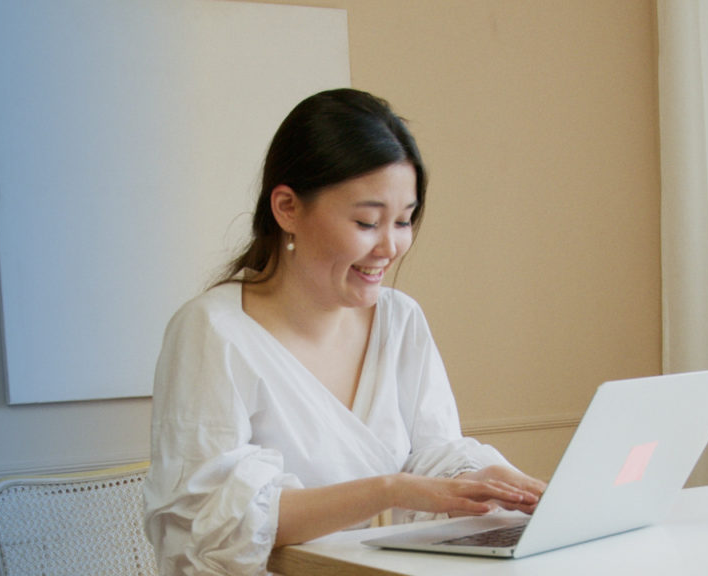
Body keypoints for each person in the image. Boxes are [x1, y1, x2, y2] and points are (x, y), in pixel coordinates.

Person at [144, 88, 546, 575]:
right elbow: (213, 524)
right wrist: (389, 489)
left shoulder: (400, 320)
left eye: (404, 220)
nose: (391, 246)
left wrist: (491, 480)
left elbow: (435, 452)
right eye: (367, 221)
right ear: (288, 207)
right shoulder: (213, 333)